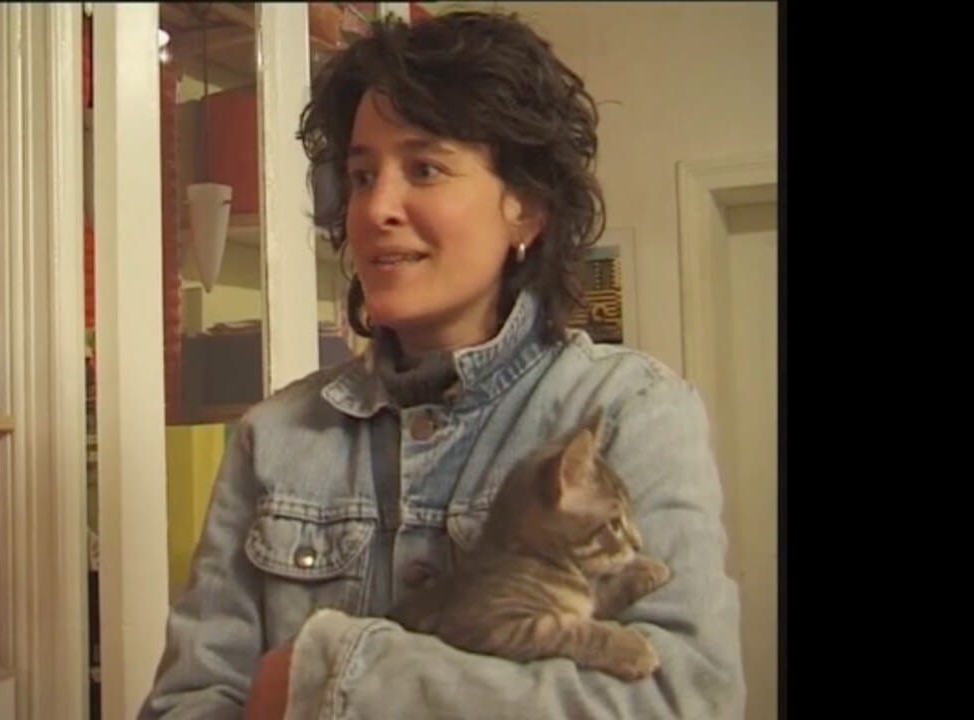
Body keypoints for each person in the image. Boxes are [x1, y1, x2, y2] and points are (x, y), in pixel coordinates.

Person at [139, 9, 745, 719]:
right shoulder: (274, 437)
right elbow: (186, 705)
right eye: (361, 175)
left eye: (424, 168)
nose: (376, 208)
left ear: (527, 207)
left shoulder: (631, 412)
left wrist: (329, 679)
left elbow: (682, 699)